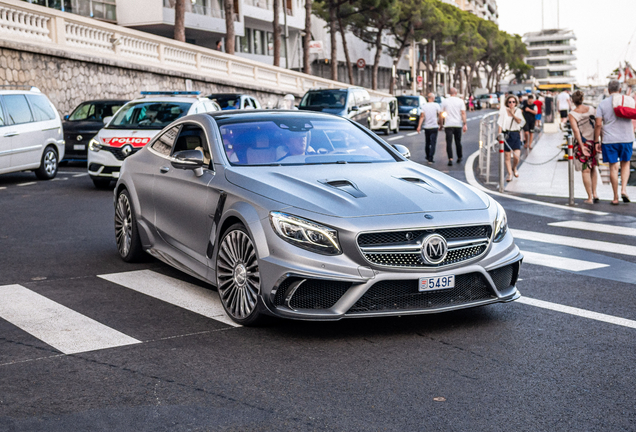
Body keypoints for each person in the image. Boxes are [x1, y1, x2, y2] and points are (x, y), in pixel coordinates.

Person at [594, 80, 633, 205]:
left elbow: (598, 124)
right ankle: (624, 190)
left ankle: (615, 197)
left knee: (613, 167)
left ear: (608, 90)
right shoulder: (629, 100)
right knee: (625, 163)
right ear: (620, 89)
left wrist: (597, 141)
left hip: (609, 140)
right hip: (627, 138)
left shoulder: (602, 104)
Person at [569, 90, 599, 204]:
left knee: (585, 170)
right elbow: (598, 125)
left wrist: (581, 146)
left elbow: (576, 131)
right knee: (593, 168)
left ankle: (590, 197)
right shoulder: (592, 109)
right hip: (594, 142)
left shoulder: (572, 114)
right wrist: (598, 141)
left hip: (583, 143)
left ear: (573, 100)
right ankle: (595, 193)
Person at [497, 95, 525, 182]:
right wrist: (499, 134)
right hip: (507, 134)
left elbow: (519, 121)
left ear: (516, 103)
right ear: (507, 103)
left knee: (517, 156)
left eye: (513, 102)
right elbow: (500, 123)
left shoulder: (518, 111)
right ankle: (510, 174)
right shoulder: (503, 111)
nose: (512, 103)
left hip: (516, 134)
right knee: (507, 156)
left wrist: (512, 114)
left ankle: (514, 167)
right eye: (510, 102)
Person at [440, 87, 467, 166]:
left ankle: (450, 158)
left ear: (449, 92)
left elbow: (441, 114)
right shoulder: (460, 101)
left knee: (449, 142)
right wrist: (465, 123)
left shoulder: (445, 101)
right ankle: (459, 157)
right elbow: (463, 113)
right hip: (457, 124)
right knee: (458, 141)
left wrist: (441, 125)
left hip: (448, 124)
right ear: (456, 93)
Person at [416, 92, 442, 164]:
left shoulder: (424, 106)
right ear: (433, 98)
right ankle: (431, 158)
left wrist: (419, 126)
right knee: (433, 142)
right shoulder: (436, 105)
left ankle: (427, 156)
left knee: (427, 142)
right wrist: (441, 123)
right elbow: (440, 115)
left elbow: (422, 116)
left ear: (428, 98)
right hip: (434, 126)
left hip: (427, 127)